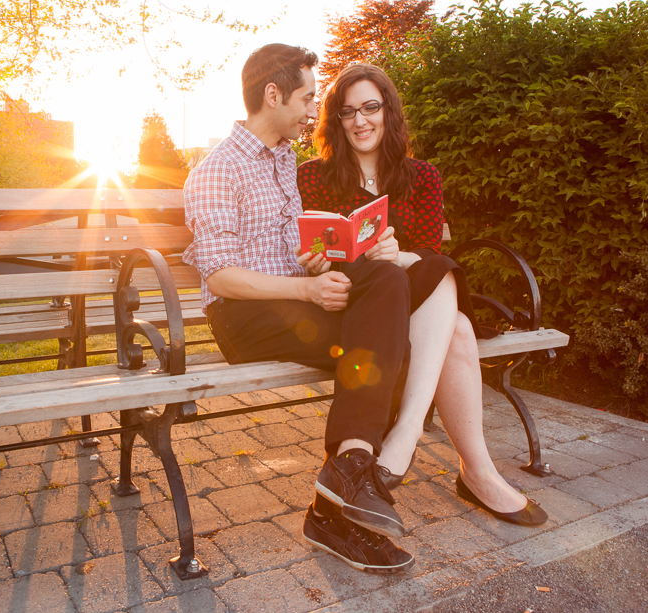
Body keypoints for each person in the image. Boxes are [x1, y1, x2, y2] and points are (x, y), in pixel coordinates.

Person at [184, 44, 417, 574]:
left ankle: (345, 480)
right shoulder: (217, 170)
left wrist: (320, 269)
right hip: (243, 320)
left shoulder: (283, 160)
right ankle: (344, 497)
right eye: (308, 97)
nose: (316, 110)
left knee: (386, 278)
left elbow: (291, 251)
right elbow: (219, 276)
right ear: (273, 95)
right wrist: (306, 293)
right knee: (385, 343)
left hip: (293, 304)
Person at [296, 63, 548, 527]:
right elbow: (316, 244)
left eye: (371, 107)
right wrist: (315, 260)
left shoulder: (423, 177)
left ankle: (413, 438)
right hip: (357, 308)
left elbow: (429, 253)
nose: (360, 120)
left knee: (434, 272)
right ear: (336, 121)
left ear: (389, 112)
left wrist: (397, 255)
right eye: (348, 111)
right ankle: (474, 471)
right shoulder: (314, 176)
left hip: (413, 289)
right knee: (456, 328)